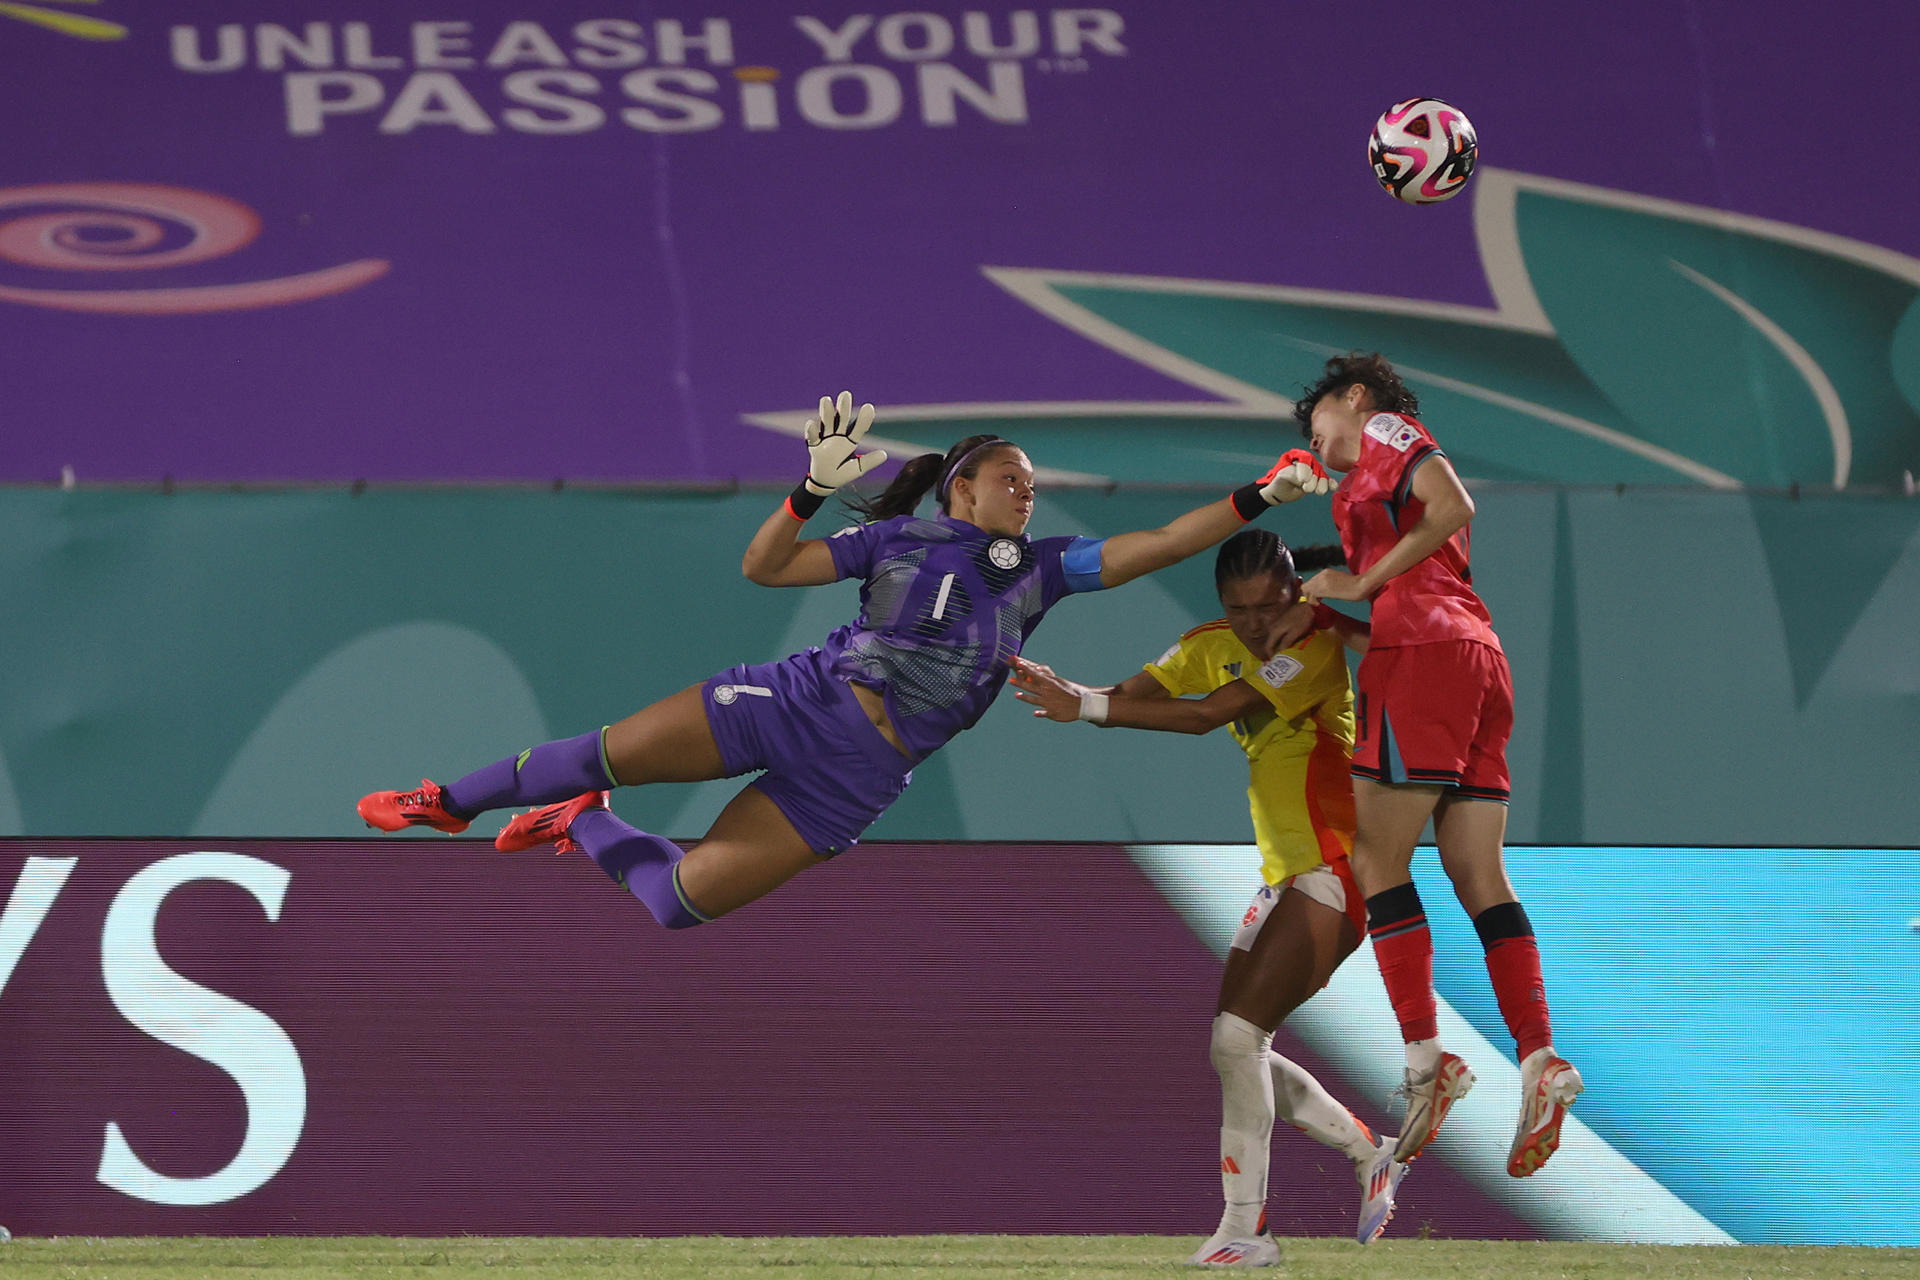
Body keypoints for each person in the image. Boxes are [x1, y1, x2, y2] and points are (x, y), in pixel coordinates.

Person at [358, 392, 1329, 939]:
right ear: (964, 485)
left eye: (1035, 488)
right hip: (793, 702)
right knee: (601, 749)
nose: (1028, 495)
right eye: (1012, 481)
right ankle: (444, 797)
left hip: (857, 775)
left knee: (679, 900)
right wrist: (809, 492)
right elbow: (765, 566)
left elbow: (1155, 543)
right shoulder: (899, 539)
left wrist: (1255, 495)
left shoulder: (1040, 572)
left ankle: (585, 826)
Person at [1009, 530, 1404, 1264]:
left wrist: (1088, 708)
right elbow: (1129, 696)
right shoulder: (1210, 642)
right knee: (1236, 1047)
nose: (1255, 623)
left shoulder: (1314, 646)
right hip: (1286, 873)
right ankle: (1367, 1150)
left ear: (1296, 593)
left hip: (1337, 869)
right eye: (1237, 607)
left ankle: (1244, 1232)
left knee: (1237, 1040)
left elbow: (1202, 715)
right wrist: (1074, 694)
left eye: (1268, 604)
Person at [1288, 353, 1582, 1179]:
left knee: (1376, 856)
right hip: (1473, 657)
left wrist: (1360, 577)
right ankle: (1539, 1059)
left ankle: (1428, 1061)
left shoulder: (1388, 429)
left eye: (1321, 427)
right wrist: (1335, 606)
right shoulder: (1370, 486)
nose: (1325, 444)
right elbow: (1410, 579)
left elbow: (1452, 503)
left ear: (1354, 398)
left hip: (1424, 657)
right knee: (1477, 872)